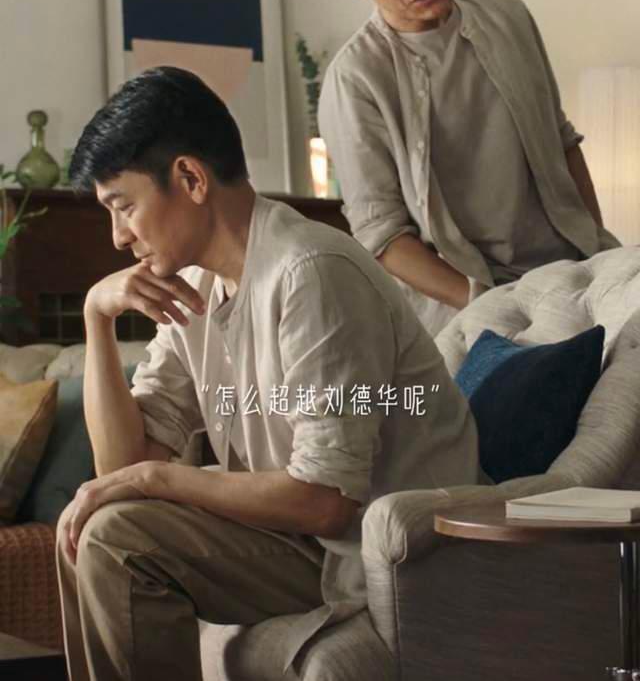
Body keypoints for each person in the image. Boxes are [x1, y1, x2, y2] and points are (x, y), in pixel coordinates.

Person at [56, 66, 479, 681]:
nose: (119, 237)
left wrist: (159, 478)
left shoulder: (311, 272)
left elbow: (325, 502)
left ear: (191, 178)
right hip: (295, 538)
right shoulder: (196, 286)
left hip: (374, 551)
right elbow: (121, 467)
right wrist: (97, 316)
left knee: (113, 539)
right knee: (90, 527)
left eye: (124, 207)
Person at [319, 0, 619, 336]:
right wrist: (490, 303)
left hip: (578, 271)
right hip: (470, 306)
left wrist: (597, 257)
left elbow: (562, 141)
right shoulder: (356, 79)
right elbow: (383, 236)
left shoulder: (506, 14)